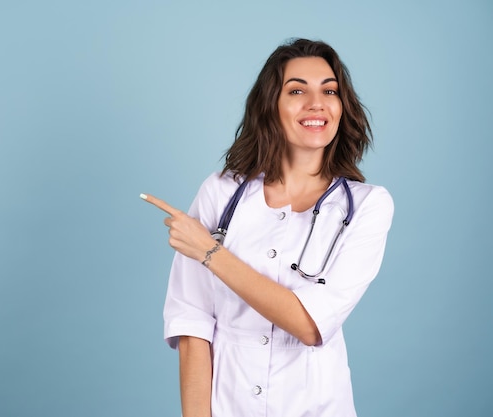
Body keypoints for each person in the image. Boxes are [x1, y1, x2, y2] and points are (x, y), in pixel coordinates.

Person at [141, 38, 394, 417]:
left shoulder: (367, 206)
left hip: (317, 407)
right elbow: (192, 323)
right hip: (229, 405)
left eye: (330, 91)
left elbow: (310, 325)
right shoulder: (221, 192)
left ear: (343, 107)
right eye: (297, 90)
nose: (316, 103)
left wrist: (209, 252)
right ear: (271, 105)